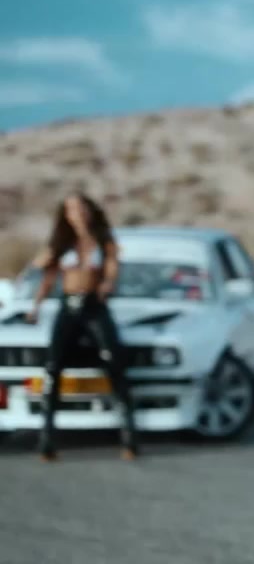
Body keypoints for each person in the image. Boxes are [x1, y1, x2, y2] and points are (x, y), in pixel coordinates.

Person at [26, 191, 139, 462]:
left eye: (80, 208)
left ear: (89, 210)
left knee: (113, 361)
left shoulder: (102, 239)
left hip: (94, 306)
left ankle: (129, 436)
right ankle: (47, 439)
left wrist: (108, 283)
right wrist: (36, 306)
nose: (77, 213)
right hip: (68, 306)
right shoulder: (62, 242)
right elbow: (47, 275)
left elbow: (112, 266)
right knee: (53, 366)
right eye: (71, 209)